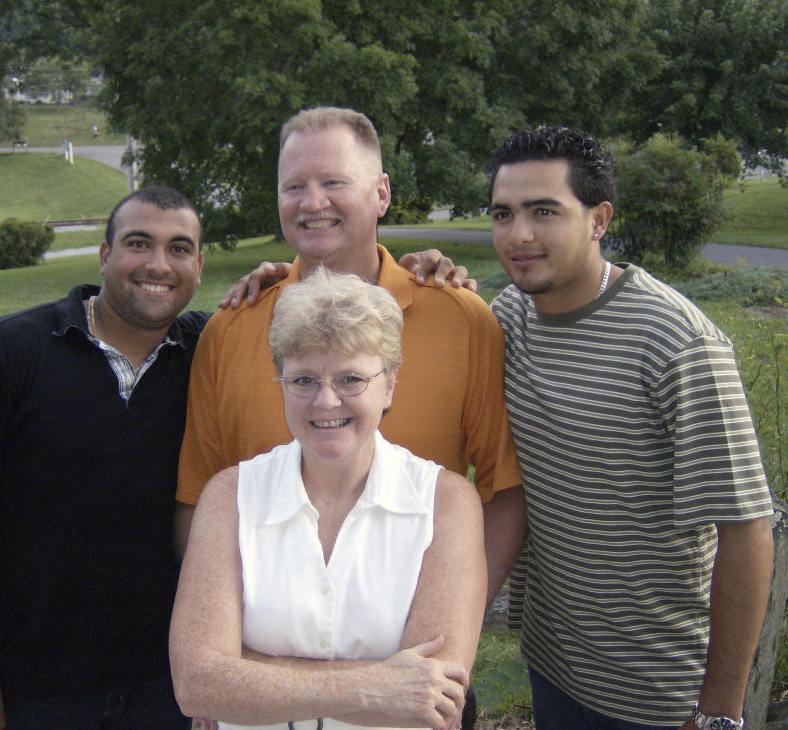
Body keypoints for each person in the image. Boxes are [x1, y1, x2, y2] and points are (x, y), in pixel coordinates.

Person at [0, 182, 462, 730]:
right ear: (105, 254)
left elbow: (302, 329)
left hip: (162, 676)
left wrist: (299, 280)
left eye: (179, 249)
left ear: (199, 266)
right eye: (138, 243)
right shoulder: (9, 352)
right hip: (38, 676)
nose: (158, 264)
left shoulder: (208, 344)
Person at [176, 106, 525, 613]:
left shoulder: (461, 320)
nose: (312, 202)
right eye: (294, 186)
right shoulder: (230, 330)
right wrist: (235, 625)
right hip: (270, 659)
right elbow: (197, 502)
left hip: (420, 656)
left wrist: (449, 626)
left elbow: (504, 493)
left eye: (334, 181)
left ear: (381, 193)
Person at [486, 126, 774, 730]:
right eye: (503, 214)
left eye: (545, 211)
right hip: (553, 663)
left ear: (598, 220)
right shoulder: (509, 317)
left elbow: (746, 529)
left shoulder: (675, 343)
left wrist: (720, 711)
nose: (520, 235)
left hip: (658, 693)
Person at [170, 268, 487, 730]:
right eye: (302, 381)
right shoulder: (230, 497)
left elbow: (432, 704)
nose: (325, 401)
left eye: (351, 378)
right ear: (279, 382)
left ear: (390, 385)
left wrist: (248, 671)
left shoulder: (446, 504)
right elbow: (198, 685)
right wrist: (379, 686)